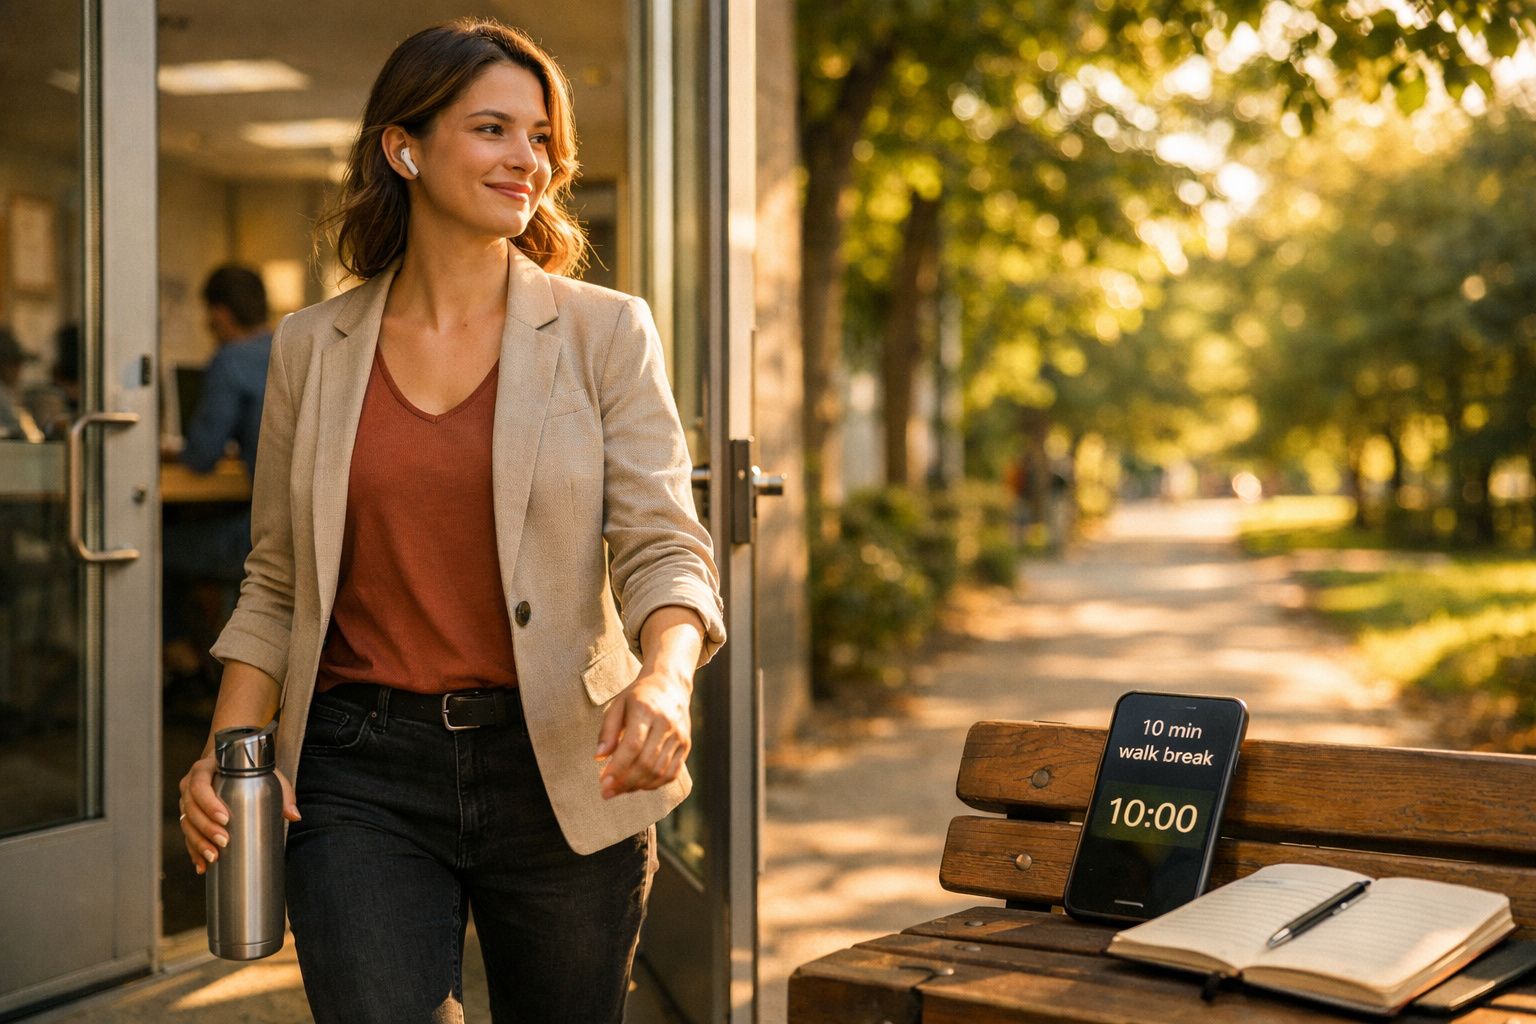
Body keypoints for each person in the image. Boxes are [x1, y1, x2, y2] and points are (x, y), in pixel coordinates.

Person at [175, 18, 725, 1024]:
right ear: (405, 147)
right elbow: (277, 575)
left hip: (563, 758)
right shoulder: (312, 347)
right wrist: (229, 745)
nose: (530, 160)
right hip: (359, 769)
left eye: (542, 137)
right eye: (494, 129)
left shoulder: (606, 332)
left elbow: (664, 542)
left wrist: (666, 677)